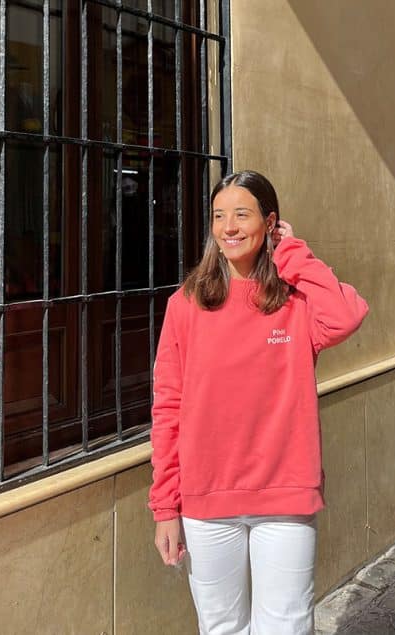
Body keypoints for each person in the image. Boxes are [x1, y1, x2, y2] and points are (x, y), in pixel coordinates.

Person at [149, 170, 369, 634]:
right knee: (221, 627)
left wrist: (294, 254)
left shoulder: (295, 302)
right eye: (218, 216)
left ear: (270, 222)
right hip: (207, 497)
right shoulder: (186, 305)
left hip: (285, 494)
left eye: (242, 214)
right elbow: (168, 408)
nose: (228, 226)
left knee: (287, 626)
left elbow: (347, 314)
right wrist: (165, 507)